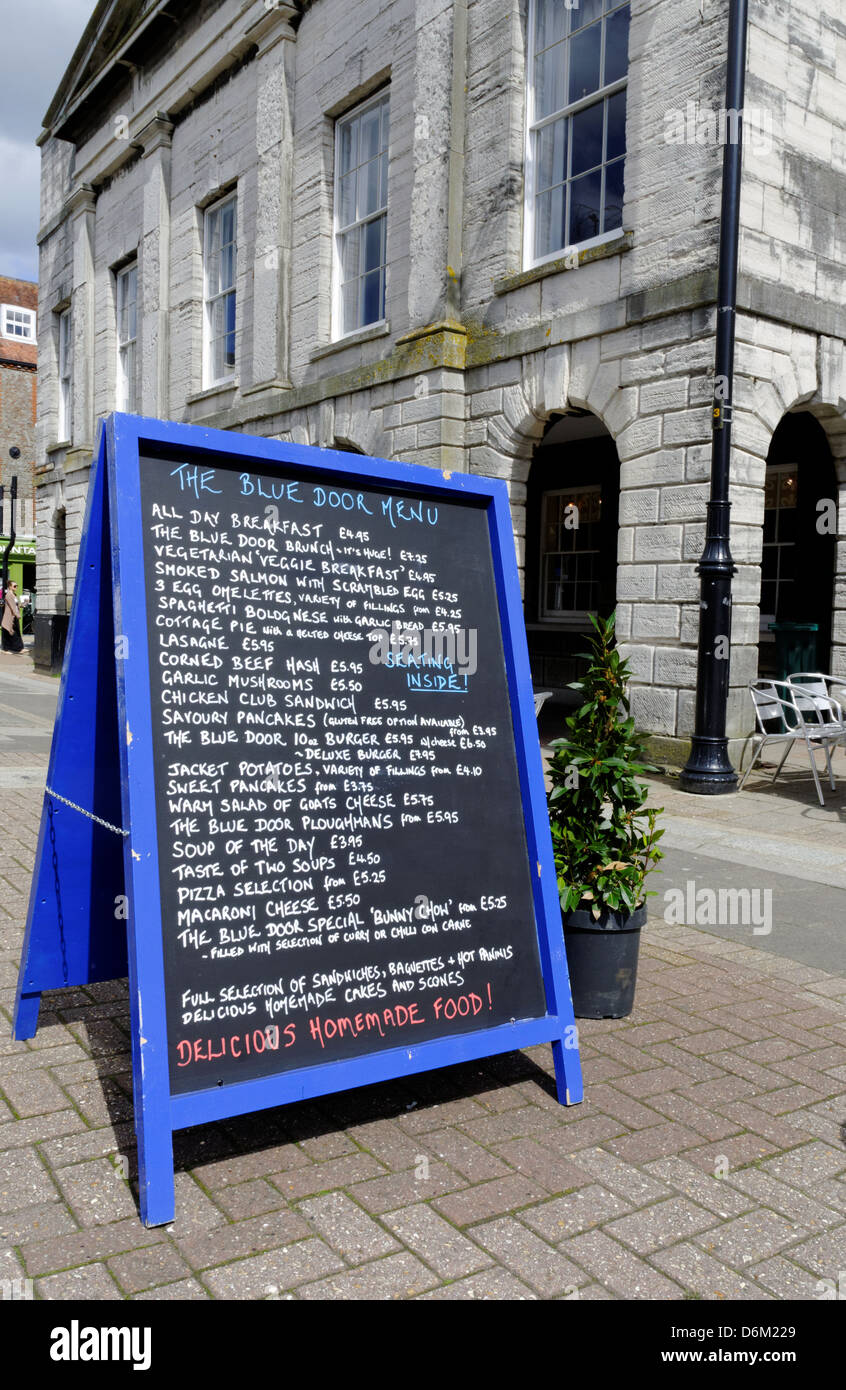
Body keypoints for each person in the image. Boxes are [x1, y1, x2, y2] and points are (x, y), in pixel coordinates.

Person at [1, 579, 25, 653]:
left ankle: (7, 648)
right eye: (14, 586)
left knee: (11, 631)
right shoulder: (8, 595)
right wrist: (17, 615)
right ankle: (18, 648)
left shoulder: (14, 595)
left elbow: (16, 605)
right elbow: (12, 606)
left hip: (14, 616)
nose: (16, 587)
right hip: (11, 616)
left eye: (16, 585)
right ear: (10, 587)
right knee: (13, 631)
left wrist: (23, 605)